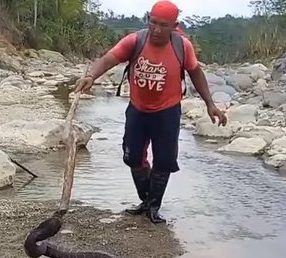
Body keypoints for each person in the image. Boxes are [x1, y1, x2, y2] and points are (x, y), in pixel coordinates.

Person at [74, 0, 227, 224]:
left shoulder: (182, 46)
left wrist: (210, 103)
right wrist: (91, 76)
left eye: (163, 25)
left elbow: (195, 72)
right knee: (133, 157)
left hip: (167, 112)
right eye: (152, 22)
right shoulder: (135, 40)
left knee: (164, 161)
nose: (156, 29)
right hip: (138, 109)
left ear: (175, 25)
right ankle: (146, 200)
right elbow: (108, 59)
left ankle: (153, 207)